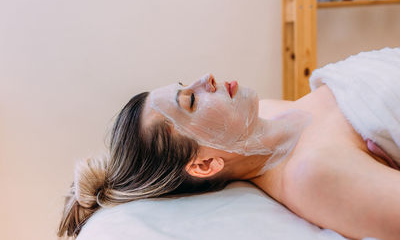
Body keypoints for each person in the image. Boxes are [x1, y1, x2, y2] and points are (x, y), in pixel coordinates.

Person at [58, 48, 400, 240]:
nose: (204, 78)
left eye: (185, 85)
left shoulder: (265, 114)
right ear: (204, 165)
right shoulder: (313, 176)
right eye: (190, 101)